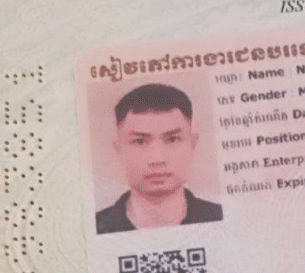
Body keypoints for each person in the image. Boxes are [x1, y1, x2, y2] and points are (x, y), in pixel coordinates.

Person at [95, 84, 223, 234]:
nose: (157, 159)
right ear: (119, 149)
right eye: (140, 141)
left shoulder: (220, 218)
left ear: (192, 144)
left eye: (172, 139)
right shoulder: (97, 227)